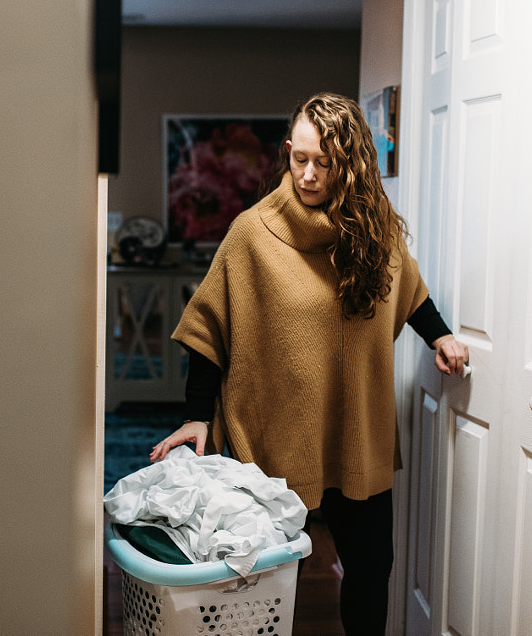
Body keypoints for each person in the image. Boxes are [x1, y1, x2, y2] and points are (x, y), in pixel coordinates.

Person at [149, 92, 469, 635]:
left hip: (355, 430)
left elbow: (407, 292)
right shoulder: (254, 232)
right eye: (300, 159)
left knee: (373, 566)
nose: (309, 175)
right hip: (275, 431)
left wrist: (439, 336)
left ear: (352, 164)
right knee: (265, 577)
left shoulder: (376, 229)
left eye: (325, 163)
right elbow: (211, 325)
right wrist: (197, 415)